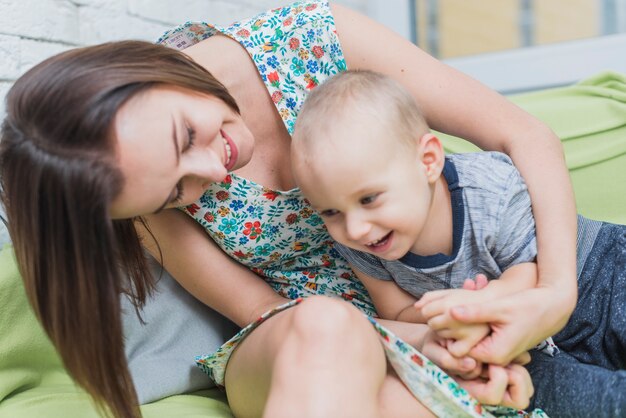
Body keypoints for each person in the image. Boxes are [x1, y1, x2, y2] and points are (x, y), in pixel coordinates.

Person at [0, 1, 579, 417]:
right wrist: (426, 342)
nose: (210, 172)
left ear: (150, 68)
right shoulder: (143, 202)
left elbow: (522, 135)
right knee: (325, 322)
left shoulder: (317, 40)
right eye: (176, 190)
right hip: (287, 339)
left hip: (431, 322)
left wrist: (553, 294)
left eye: (184, 137)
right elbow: (264, 309)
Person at [291, 69, 626, 418]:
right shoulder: (360, 242)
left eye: (370, 198)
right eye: (330, 211)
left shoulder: (489, 188)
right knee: (594, 402)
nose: (356, 228)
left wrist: (483, 302)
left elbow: (533, 269)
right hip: (513, 344)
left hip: (595, 276)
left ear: (428, 162)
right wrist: (449, 316)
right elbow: (397, 311)